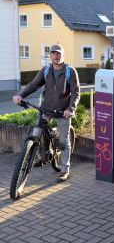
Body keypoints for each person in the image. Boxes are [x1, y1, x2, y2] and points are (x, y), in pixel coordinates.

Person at [13, 44, 80, 182]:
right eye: (53, 53)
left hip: (63, 112)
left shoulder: (70, 71)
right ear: (50, 55)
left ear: (63, 55)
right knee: (35, 133)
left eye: (58, 53)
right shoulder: (45, 71)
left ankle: (64, 169)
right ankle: (40, 156)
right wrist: (20, 95)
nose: (56, 56)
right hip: (46, 109)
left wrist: (70, 109)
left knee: (63, 141)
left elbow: (75, 92)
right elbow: (33, 85)